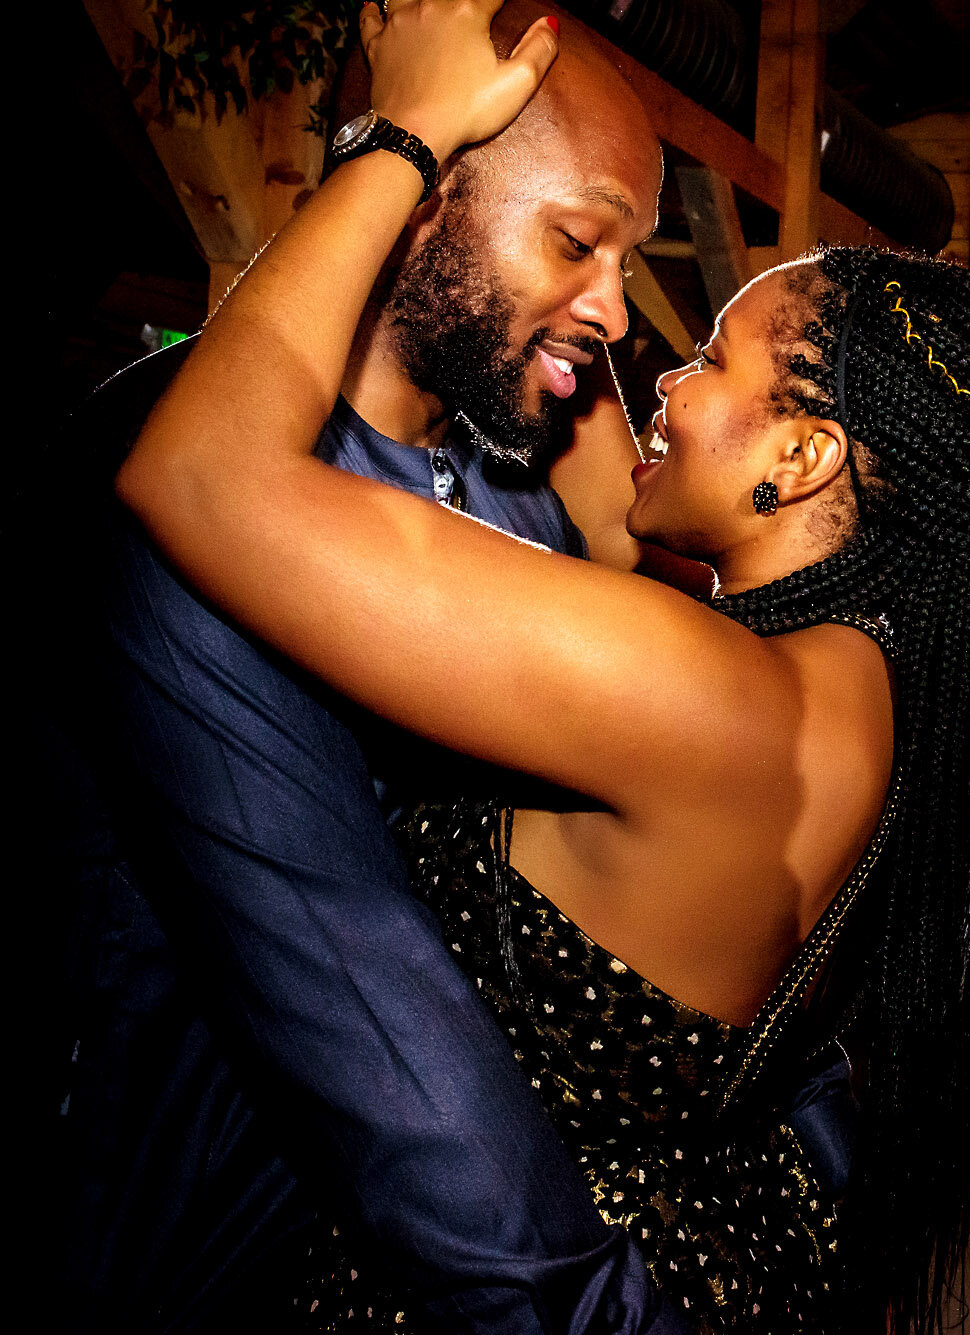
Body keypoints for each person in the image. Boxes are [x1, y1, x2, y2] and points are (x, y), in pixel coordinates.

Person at [113, 3, 970, 1330]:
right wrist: (551, 275)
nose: (652, 365)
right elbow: (616, 487)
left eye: (713, 353)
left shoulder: (689, 684)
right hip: (712, 1246)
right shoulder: (851, 688)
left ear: (804, 458)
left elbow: (202, 474)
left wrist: (401, 139)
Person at [50, 5, 684, 1329]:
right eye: (577, 239)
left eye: (629, 258)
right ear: (417, 203)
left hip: (376, 1245)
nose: (617, 309)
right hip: (169, 1229)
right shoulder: (188, 474)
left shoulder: (510, 489)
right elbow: (344, 961)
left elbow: (632, 531)